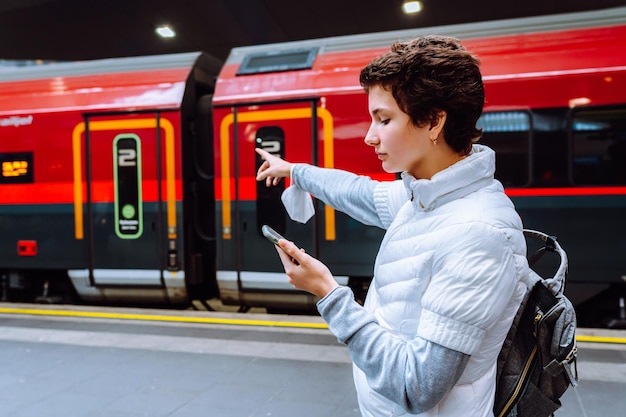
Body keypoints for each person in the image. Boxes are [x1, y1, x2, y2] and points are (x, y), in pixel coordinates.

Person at [255, 35, 528, 417]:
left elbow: (415, 386)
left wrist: (327, 293)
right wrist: (296, 172)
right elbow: (359, 192)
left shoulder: (479, 234)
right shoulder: (428, 197)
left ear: (433, 121)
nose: (370, 136)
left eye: (384, 120)